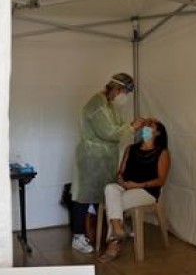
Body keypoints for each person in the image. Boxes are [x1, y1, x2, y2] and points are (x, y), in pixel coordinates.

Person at [70, 73, 144, 254]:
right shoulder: (98, 103)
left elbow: (120, 127)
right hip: (92, 158)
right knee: (84, 196)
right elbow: (109, 132)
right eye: (125, 93)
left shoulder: (110, 105)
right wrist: (132, 127)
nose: (124, 99)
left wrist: (137, 129)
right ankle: (78, 236)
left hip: (104, 159)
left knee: (101, 195)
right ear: (117, 89)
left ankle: (105, 231)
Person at [98, 120, 171, 262]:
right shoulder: (130, 149)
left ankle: (114, 242)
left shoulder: (163, 153)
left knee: (115, 203)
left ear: (157, 133)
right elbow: (121, 171)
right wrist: (120, 179)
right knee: (110, 188)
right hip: (126, 187)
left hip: (147, 191)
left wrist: (137, 185)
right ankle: (118, 228)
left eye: (150, 125)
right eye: (145, 125)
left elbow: (161, 180)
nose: (145, 127)